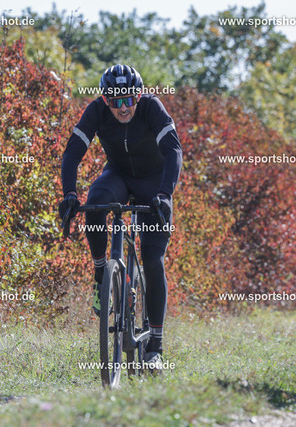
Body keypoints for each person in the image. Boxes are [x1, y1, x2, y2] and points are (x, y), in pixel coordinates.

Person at [58, 64, 182, 368]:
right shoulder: (96, 111)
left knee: (152, 259)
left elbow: (173, 151)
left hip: (154, 183)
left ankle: (155, 345)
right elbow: (72, 153)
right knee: (96, 202)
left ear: (138, 96)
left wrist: (165, 194)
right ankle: (102, 272)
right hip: (119, 176)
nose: (123, 107)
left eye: (129, 99)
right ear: (105, 99)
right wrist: (69, 193)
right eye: (115, 101)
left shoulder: (151, 107)